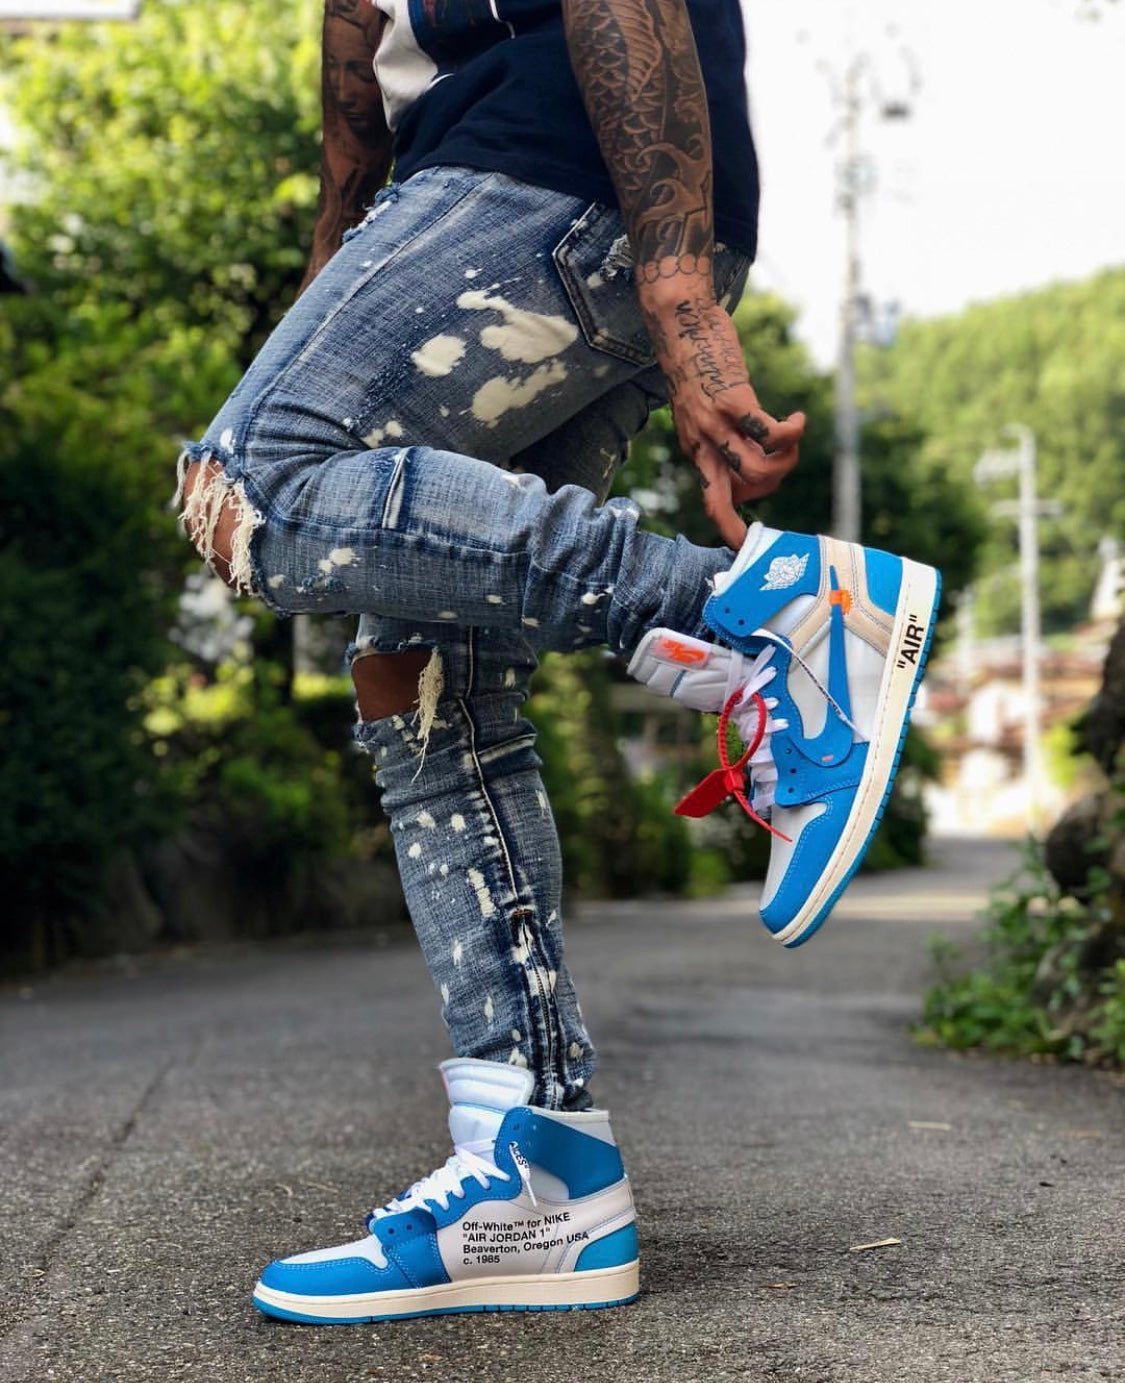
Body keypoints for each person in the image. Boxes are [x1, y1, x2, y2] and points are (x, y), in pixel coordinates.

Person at [175, 0, 939, 1324]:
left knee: (258, 486)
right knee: (431, 697)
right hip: (543, 185)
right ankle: (540, 1178)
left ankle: (762, 616)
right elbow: (359, 36)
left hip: (549, 166)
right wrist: (339, 267)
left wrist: (676, 290)